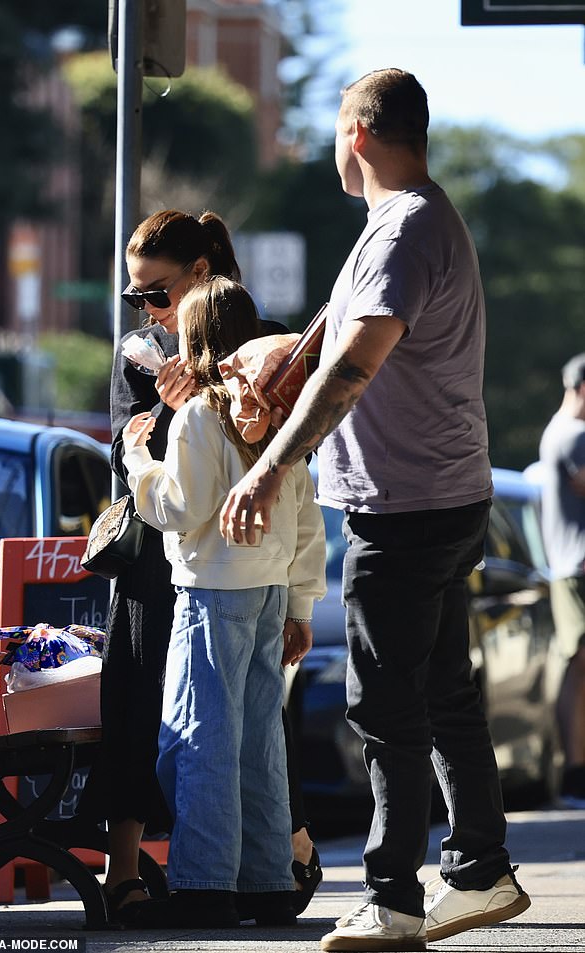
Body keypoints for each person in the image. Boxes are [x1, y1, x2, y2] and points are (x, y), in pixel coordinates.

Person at [219, 68, 531, 951]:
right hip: (442, 493)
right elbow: (329, 337)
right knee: (443, 688)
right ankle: (479, 870)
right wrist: (258, 363)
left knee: (385, 703)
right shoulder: (401, 223)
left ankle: (392, 895)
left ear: (357, 131)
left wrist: (267, 470)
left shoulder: (407, 230)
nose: (329, 144)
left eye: (332, 129)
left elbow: (353, 367)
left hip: (403, 506)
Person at [77, 209, 322, 926]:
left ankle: (209, 880)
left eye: (157, 294)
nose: (148, 311)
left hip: (202, 585)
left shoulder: (227, 393)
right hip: (249, 584)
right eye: (136, 298)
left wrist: (148, 447)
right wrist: (303, 600)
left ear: (200, 281)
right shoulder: (260, 406)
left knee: (198, 736)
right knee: (250, 734)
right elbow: (305, 514)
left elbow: (170, 496)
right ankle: (265, 875)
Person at [538, 353, 585, 809]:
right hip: (579, 568)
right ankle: (575, 771)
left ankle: (573, 770)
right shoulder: (575, 435)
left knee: (577, 664)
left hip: (568, 567)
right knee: (578, 664)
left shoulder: (556, 431)